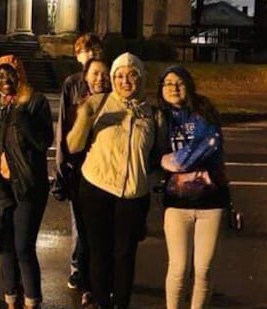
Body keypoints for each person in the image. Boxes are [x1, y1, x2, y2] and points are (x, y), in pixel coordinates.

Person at [66, 52, 166, 309]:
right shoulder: (98, 103)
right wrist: (85, 116)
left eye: (131, 75)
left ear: (141, 78)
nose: (125, 81)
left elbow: (157, 155)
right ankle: (101, 301)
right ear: (113, 79)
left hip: (133, 194)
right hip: (97, 188)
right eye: (119, 76)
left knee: (125, 254)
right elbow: (73, 146)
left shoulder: (152, 114)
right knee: (99, 251)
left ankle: (121, 303)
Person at [0, 55, 53, 309]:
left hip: (26, 186)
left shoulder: (35, 102)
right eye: (0, 75)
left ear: (20, 75)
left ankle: (32, 300)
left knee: (23, 246)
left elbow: (43, 142)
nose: (5, 80)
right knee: (5, 246)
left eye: (11, 74)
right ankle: (11, 299)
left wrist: (22, 115)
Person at [157, 66, 230, 309]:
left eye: (179, 82)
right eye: (167, 83)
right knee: (178, 268)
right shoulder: (160, 117)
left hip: (211, 202)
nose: (173, 87)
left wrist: (172, 161)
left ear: (188, 84)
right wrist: (163, 160)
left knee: (203, 269)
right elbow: (152, 152)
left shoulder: (204, 111)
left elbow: (210, 144)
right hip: (176, 204)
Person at [54, 33, 103, 294]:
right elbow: (63, 126)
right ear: (78, 55)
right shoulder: (72, 84)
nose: (92, 54)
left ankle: (94, 275)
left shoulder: (109, 83)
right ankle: (78, 270)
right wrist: (61, 168)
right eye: (86, 50)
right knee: (80, 226)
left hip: (104, 164)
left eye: (96, 49)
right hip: (78, 165)